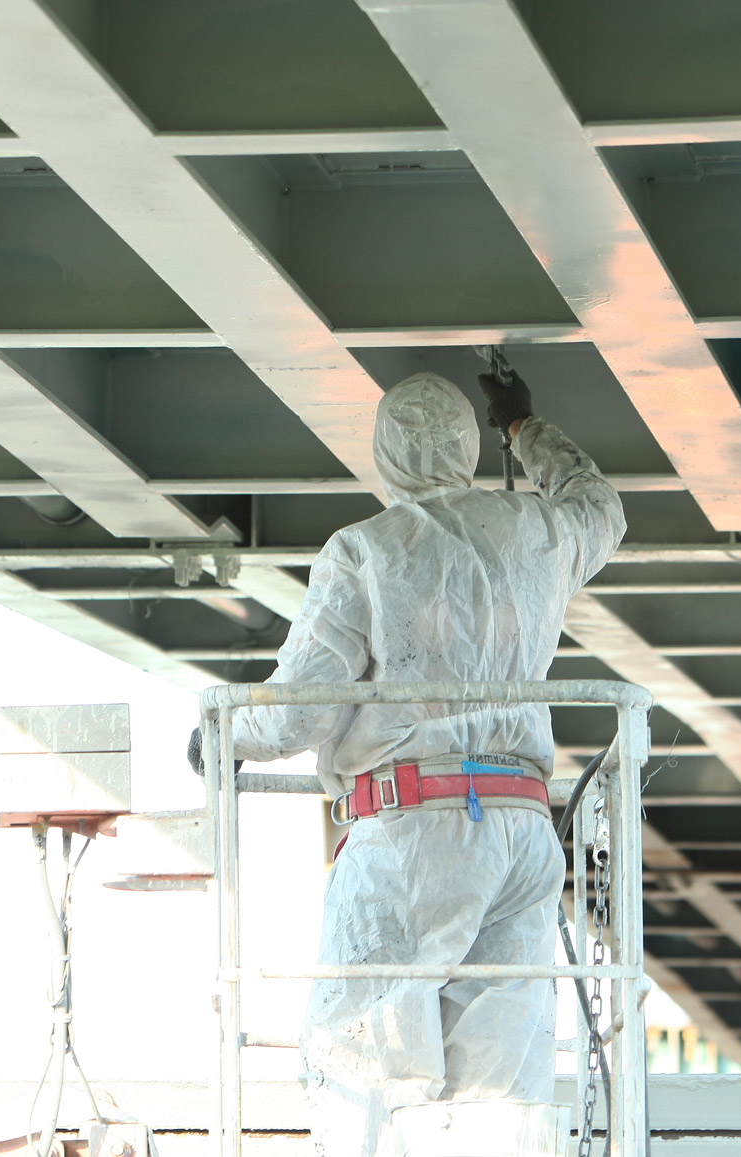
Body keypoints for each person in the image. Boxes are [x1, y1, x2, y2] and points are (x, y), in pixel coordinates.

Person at [189, 370, 625, 1157]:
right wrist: (525, 427)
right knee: (504, 1096)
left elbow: (303, 706)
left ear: (385, 459)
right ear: (467, 449)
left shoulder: (365, 552)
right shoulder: (539, 533)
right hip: (525, 837)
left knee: (369, 1065)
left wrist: (221, 736)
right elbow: (601, 507)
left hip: (413, 837)